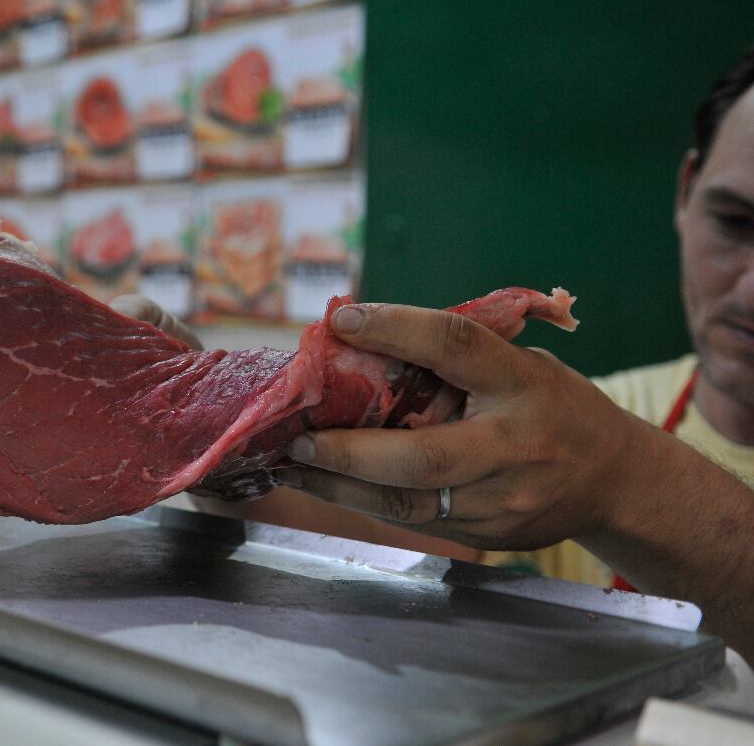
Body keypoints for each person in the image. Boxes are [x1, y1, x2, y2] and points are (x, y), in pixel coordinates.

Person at [112, 46, 754, 662]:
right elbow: (399, 537)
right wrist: (223, 429)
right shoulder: (621, 408)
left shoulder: (606, 439)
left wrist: (620, 477)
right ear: (686, 191)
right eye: (734, 222)